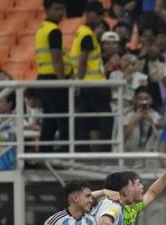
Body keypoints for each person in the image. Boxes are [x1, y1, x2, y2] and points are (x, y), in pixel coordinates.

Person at [70, 0, 110, 146]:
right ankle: (108, 150)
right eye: (98, 14)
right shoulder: (87, 35)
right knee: (107, 117)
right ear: (88, 14)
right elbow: (82, 60)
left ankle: (81, 149)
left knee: (85, 118)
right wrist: (79, 83)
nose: (100, 18)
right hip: (92, 83)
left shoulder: (81, 32)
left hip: (88, 83)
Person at [35, 0, 71, 152]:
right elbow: (56, 59)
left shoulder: (42, 28)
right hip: (53, 79)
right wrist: (62, 82)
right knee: (63, 119)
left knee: (49, 120)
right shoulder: (54, 31)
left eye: (62, 9)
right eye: (56, 9)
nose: (60, 12)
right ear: (47, 10)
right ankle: (64, 154)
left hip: (43, 79)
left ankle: (44, 154)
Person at [123, 86, 163, 153]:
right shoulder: (127, 115)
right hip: (131, 154)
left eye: (146, 98)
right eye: (140, 99)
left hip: (150, 154)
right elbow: (123, 136)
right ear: (134, 100)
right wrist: (134, 120)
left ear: (151, 100)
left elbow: (162, 134)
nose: (143, 102)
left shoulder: (155, 115)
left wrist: (151, 120)